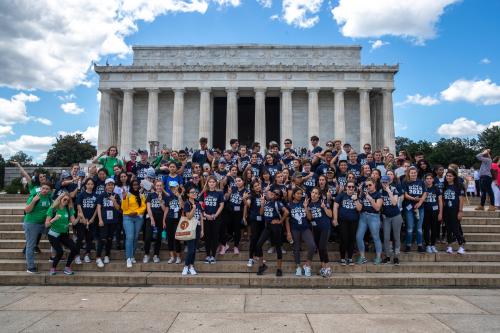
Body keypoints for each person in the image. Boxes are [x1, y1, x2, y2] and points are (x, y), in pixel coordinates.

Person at [255, 188, 289, 276]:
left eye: (276, 194)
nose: (274, 194)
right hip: (268, 226)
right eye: (273, 192)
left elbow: (286, 212)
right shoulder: (267, 203)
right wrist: (262, 204)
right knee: (258, 245)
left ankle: (279, 269)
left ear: (278, 196)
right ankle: (262, 265)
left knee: (278, 247)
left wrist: (280, 221)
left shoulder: (278, 203)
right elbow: (261, 213)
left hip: (276, 227)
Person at [45, 192, 78, 275]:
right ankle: (53, 268)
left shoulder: (69, 209)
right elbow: (46, 224)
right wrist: (54, 219)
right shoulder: (53, 208)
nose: (66, 201)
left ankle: (67, 267)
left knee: (74, 248)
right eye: (64, 199)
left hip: (63, 233)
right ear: (60, 199)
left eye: (68, 200)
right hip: (53, 234)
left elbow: (73, 223)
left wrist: (79, 217)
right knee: (60, 252)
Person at [23, 182, 53, 273]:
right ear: (40, 188)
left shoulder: (49, 198)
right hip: (32, 223)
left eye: (47, 189)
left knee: (55, 236)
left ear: (50, 191)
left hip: (44, 224)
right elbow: (27, 210)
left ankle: (54, 257)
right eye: (43, 188)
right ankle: (30, 267)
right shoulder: (35, 197)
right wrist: (33, 201)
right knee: (31, 245)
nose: (44, 190)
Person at [286, 188, 316, 277]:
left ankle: (307, 265)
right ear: (294, 195)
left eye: (301, 194)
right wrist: (288, 232)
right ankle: (298, 267)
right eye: (298, 193)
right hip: (294, 229)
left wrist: (306, 207)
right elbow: (287, 220)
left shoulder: (305, 203)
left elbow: (310, 218)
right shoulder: (289, 204)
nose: (299, 195)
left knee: (312, 245)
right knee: (296, 247)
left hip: (305, 228)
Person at [333, 181, 362, 266]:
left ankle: (349, 258)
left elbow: (359, 209)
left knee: (352, 240)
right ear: (346, 187)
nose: (351, 188)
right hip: (343, 221)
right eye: (349, 186)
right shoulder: (341, 195)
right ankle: (342, 258)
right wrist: (335, 219)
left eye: (352, 187)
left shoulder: (357, 196)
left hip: (354, 221)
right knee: (344, 239)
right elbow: (335, 206)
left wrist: (355, 199)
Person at [356, 178, 383, 265]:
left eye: (370, 185)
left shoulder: (378, 194)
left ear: (374, 184)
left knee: (376, 237)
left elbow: (377, 208)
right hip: (363, 216)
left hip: (374, 217)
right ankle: (362, 257)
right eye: (366, 185)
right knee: (358, 237)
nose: (368, 187)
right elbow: (359, 208)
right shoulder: (364, 194)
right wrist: (358, 197)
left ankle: (378, 257)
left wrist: (371, 199)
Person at [96, 178, 121, 267]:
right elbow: (98, 208)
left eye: (112, 184)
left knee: (110, 238)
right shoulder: (101, 195)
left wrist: (114, 201)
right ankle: (98, 257)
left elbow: (118, 208)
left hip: (113, 220)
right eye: (108, 185)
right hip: (104, 220)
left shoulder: (116, 195)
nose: (110, 186)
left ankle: (107, 255)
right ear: (105, 186)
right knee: (102, 239)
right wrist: (100, 219)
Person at [121, 179, 146, 268]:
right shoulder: (127, 194)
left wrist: (136, 212)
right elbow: (124, 208)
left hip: (138, 218)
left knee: (135, 238)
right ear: (131, 186)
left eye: (137, 185)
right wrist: (124, 198)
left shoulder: (141, 195)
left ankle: (132, 256)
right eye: (134, 185)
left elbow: (144, 207)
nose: (135, 186)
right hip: (128, 217)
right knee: (130, 237)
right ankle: (128, 258)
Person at [402, 166, 428, 252]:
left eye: (415, 172)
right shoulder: (405, 182)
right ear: (409, 174)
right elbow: (405, 195)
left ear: (417, 173)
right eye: (411, 173)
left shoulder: (421, 182)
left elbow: (425, 193)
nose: (413, 174)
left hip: (420, 207)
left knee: (419, 227)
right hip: (409, 207)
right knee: (410, 227)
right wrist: (414, 199)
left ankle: (420, 245)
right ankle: (408, 245)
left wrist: (420, 202)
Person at [380, 175, 404, 265]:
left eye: (386, 182)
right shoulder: (380, 191)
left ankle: (396, 257)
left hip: (396, 216)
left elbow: (394, 203)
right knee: (386, 238)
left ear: (389, 182)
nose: (384, 184)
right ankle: (387, 256)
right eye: (383, 182)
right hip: (386, 217)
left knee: (396, 237)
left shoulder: (394, 189)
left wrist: (389, 191)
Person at [75, 178, 98, 264]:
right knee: (80, 238)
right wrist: (83, 218)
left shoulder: (96, 195)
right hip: (82, 220)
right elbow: (78, 206)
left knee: (89, 239)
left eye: (92, 184)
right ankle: (77, 255)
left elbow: (96, 208)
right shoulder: (81, 195)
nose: (90, 185)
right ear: (85, 185)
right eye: (88, 184)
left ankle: (87, 255)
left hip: (92, 220)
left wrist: (92, 219)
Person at [182, 188, 205, 275]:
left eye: (195, 192)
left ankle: (191, 266)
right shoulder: (187, 204)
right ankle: (186, 266)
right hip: (190, 228)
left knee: (194, 249)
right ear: (188, 194)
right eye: (192, 192)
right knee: (190, 250)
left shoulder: (198, 203)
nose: (194, 193)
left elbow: (201, 217)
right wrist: (193, 209)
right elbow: (188, 217)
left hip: (198, 228)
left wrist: (202, 229)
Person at [202, 176, 225, 264]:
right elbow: (200, 205)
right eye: (210, 182)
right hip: (206, 218)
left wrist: (215, 215)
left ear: (216, 183)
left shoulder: (219, 193)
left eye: (213, 182)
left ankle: (213, 256)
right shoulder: (204, 193)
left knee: (215, 237)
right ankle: (208, 255)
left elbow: (221, 205)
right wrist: (205, 214)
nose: (211, 183)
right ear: (207, 183)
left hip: (216, 218)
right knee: (207, 237)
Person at [443, 169, 466, 254]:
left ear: (454, 177)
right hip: (446, 210)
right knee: (448, 229)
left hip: (455, 210)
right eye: (447, 176)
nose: (448, 177)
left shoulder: (458, 186)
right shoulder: (445, 186)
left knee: (456, 228)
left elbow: (461, 199)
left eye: (450, 176)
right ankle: (449, 246)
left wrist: (460, 211)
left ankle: (461, 246)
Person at [144, 180, 167, 263]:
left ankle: (156, 255)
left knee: (158, 238)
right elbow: (148, 208)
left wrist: (161, 201)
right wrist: (152, 219)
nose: (159, 187)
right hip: (150, 218)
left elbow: (165, 210)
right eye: (157, 186)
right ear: (155, 186)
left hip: (160, 219)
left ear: (163, 187)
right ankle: (146, 254)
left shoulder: (165, 196)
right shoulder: (150, 195)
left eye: (160, 185)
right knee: (148, 237)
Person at [225, 176, 248, 254]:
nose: (237, 182)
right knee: (227, 227)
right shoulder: (233, 188)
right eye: (236, 181)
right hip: (229, 212)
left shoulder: (246, 191)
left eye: (239, 181)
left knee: (237, 230)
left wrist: (244, 217)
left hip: (239, 213)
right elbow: (227, 198)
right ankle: (225, 244)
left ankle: (236, 246)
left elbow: (246, 205)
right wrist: (229, 193)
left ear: (243, 182)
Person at [244, 180, 265, 267]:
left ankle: (258, 256)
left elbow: (262, 210)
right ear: (252, 188)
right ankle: (250, 258)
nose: (257, 187)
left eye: (258, 185)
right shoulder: (251, 196)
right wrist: (244, 199)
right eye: (255, 186)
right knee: (254, 239)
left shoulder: (262, 195)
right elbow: (248, 204)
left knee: (259, 240)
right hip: (254, 220)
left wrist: (263, 203)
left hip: (262, 220)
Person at [164, 181, 183, 264]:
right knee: (170, 238)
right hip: (169, 219)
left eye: (174, 187)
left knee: (176, 238)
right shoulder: (168, 197)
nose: (173, 189)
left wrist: (179, 196)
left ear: (177, 187)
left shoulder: (181, 196)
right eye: (171, 187)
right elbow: (166, 209)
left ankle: (178, 257)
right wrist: (163, 220)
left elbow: (182, 206)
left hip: (178, 219)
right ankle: (172, 256)